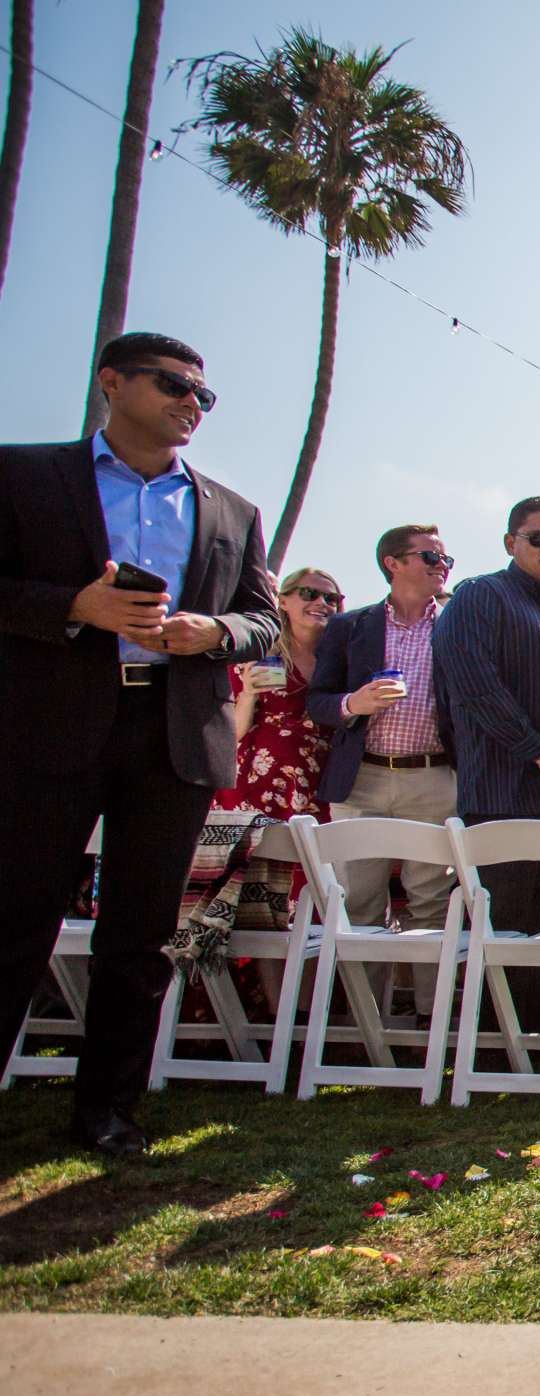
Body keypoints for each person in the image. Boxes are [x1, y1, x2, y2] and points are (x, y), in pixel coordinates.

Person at [0, 332, 280, 1155]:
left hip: (173, 735)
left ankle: (107, 1113)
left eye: (204, 395)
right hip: (49, 726)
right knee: (14, 919)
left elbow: (263, 621)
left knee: (141, 934)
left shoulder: (231, 509)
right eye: (173, 385)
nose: (191, 403)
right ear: (112, 382)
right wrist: (72, 607)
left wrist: (215, 631)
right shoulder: (22, 476)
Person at [430, 495, 540, 1033]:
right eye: (539, 538)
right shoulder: (480, 596)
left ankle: (537, 1038)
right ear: (510, 543)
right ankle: (491, 1043)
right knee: (500, 927)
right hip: (500, 795)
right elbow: (474, 690)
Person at [309, 525, 458, 1009]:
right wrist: (355, 702)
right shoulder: (350, 627)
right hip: (362, 779)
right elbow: (318, 701)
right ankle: (365, 1024)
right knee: (359, 905)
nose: (441, 566)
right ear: (393, 563)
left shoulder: (456, 624)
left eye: (444, 560)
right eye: (430, 557)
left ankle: (429, 1024)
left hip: (435, 776)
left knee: (431, 905)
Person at [216, 567, 343, 933]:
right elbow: (233, 732)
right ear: (283, 601)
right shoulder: (259, 651)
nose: (321, 603)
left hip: (321, 785)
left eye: (330, 598)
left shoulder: (340, 657)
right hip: (258, 785)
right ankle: (256, 992)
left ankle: (307, 991)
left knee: (310, 893)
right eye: (309, 594)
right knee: (256, 898)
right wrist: (249, 692)